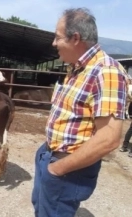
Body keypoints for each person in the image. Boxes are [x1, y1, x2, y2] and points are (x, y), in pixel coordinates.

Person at [31, 8, 129, 217]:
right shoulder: (77, 69)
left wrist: (57, 170)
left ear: (75, 38)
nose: (53, 43)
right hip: (50, 155)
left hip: (67, 169)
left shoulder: (106, 71)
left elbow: (109, 139)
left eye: (57, 37)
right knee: (41, 210)